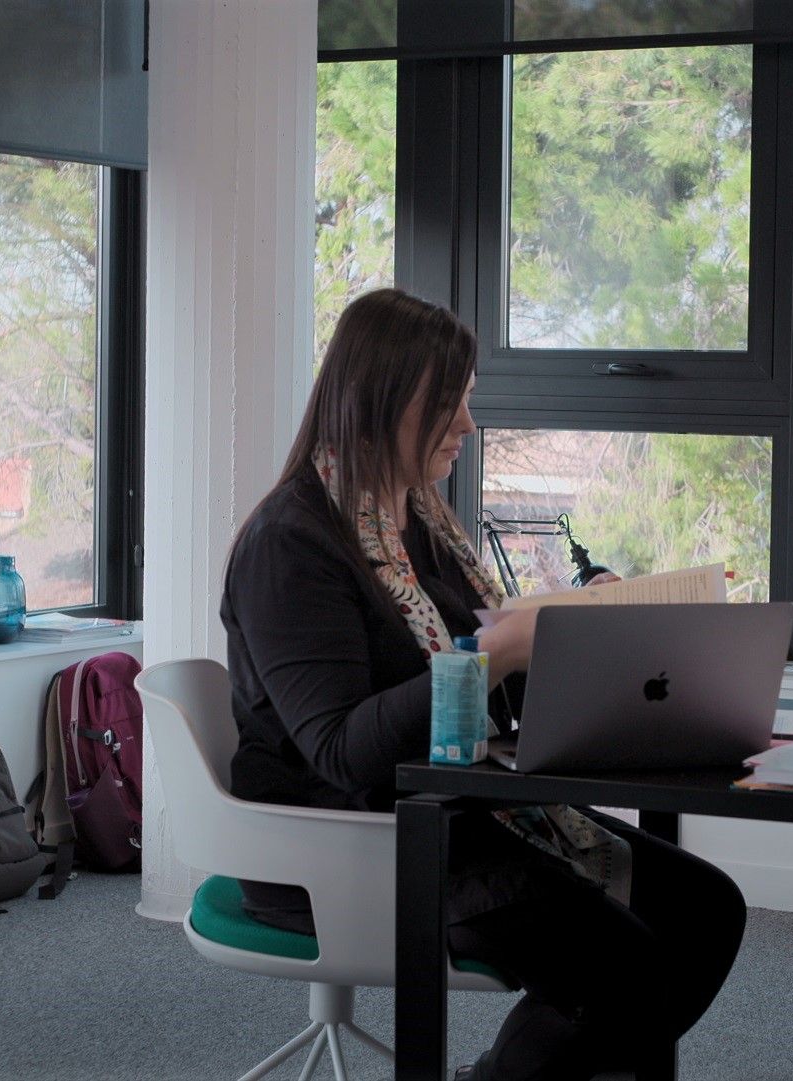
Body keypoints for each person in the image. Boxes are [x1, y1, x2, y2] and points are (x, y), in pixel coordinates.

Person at [221, 287, 746, 1081]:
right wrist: (495, 654)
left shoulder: (419, 526)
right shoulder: (290, 546)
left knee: (705, 913)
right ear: (379, 403)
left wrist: (586, 637)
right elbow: (343, 752)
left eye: (466, 402)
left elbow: (494, 699)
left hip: (457, 816)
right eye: (448, 405)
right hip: (347, 844)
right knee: (630, 968)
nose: (467, 425)